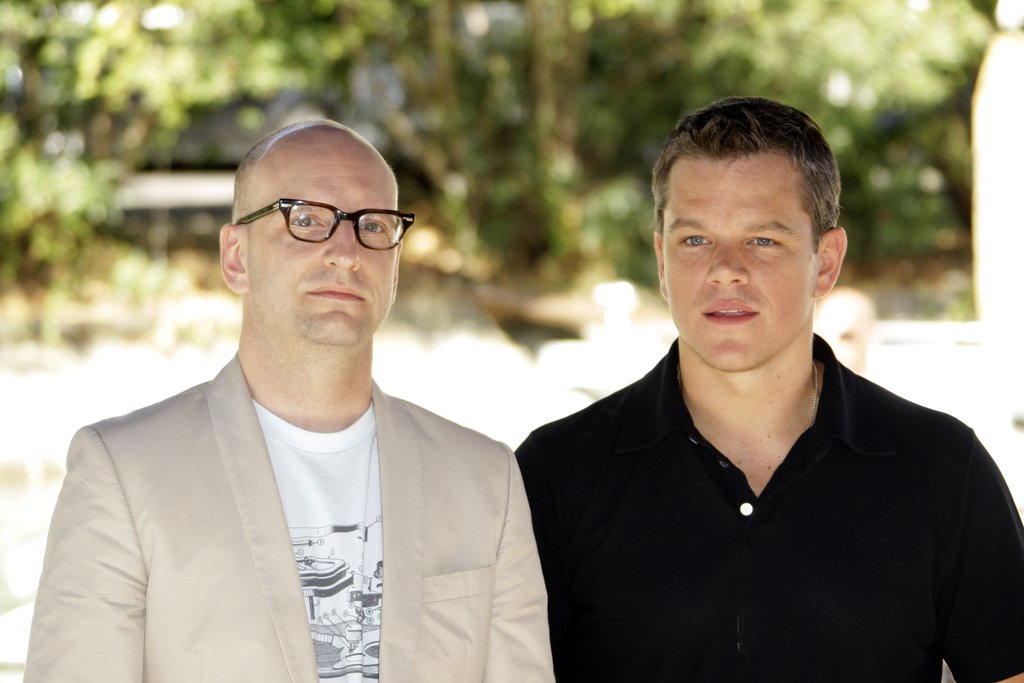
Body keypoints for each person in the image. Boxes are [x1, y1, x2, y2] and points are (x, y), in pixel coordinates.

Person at [515, 96, 1024, 682]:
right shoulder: (557, 473)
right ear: (661, 261)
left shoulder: (943, 467)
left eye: (762, 240)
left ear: (825, 263)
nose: (725, 269)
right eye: (695, 240)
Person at [26, 120, 554, 682]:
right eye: (305, 220)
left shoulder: (487, 480)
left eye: (373, 225)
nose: (345, 252)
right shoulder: (122, 474)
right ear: (236, 257)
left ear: (395, 266)